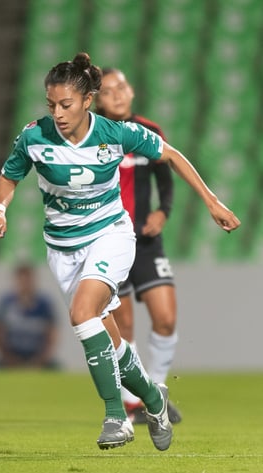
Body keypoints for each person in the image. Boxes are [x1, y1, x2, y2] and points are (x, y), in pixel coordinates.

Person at [0, 53, 240, 451]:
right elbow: (8, 176)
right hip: (62, 248)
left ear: (88, 100)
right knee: (110, 340)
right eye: (51, 105)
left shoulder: (116, 133)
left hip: (111, 236)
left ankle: (115, 417)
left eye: (66, 105)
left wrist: (212, 202)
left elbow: (170, 155)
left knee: (82, 314)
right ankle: (154, 400)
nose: (58, 113)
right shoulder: (34, 137)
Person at [95, 68, 181, 424]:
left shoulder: (150, 131)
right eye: (108, 90)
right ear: (96, 99)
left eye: (122, 86)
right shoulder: (93, 134)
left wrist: (163, 211)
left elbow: (167, 175)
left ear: (131, 91)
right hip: (110, 241)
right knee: (124, 326)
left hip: (146, 242)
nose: (117, 94)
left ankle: (156, 390)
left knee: (166, 317)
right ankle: (134, 403)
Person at [0, 264, 58, 368]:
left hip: (38, 359)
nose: (25, 284)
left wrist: (39, 361)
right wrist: (10, 360)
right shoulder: (5, 303)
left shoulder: (44, 304)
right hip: (10, 359)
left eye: (27, 280)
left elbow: (52, 336)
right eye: (21, 280)